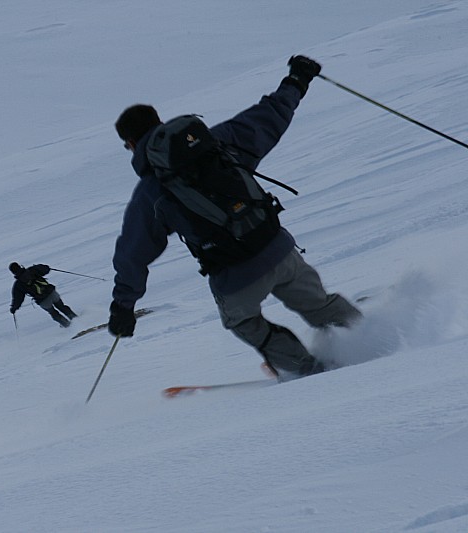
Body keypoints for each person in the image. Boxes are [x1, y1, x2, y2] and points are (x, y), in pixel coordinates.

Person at [107, 55, 362, 381]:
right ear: (158, 121)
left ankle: (309, 373)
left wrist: (124, 307)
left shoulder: (150, 192)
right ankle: (369, 335)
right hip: (278, 248)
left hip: (236, 275)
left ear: (130, 144)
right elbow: (269, 117)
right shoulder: (216, 142)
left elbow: (133, 254)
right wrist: (297, 80)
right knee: (319, 305)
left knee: (243, 322)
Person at [9, 262, 78, 328]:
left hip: (42, 300)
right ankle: (76, 320)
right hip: (51, 293)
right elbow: (46, 269)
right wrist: (43, 267)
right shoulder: (32, 270)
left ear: (13, 272)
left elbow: (18, 299)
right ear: (19, 266)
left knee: (53, 313)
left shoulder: (18, 285)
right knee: (62, 307)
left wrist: (14, 308)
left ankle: (68, 325)